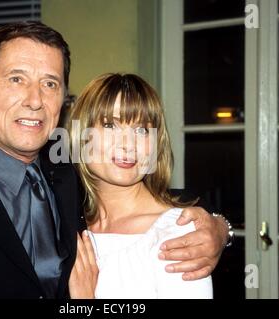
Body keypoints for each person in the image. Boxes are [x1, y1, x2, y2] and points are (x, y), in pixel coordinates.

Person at [0, 22, 229, 299]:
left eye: (49, 83)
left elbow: (149, 199)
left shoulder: (68, 173)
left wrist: (217, 228)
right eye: (17, 79)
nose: (35, 100)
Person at [67, 73, 214, 298]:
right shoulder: (68, 223)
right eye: (110, 126)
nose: (127, 144)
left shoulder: (175, 233)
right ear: (82, 136)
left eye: (141, 130)